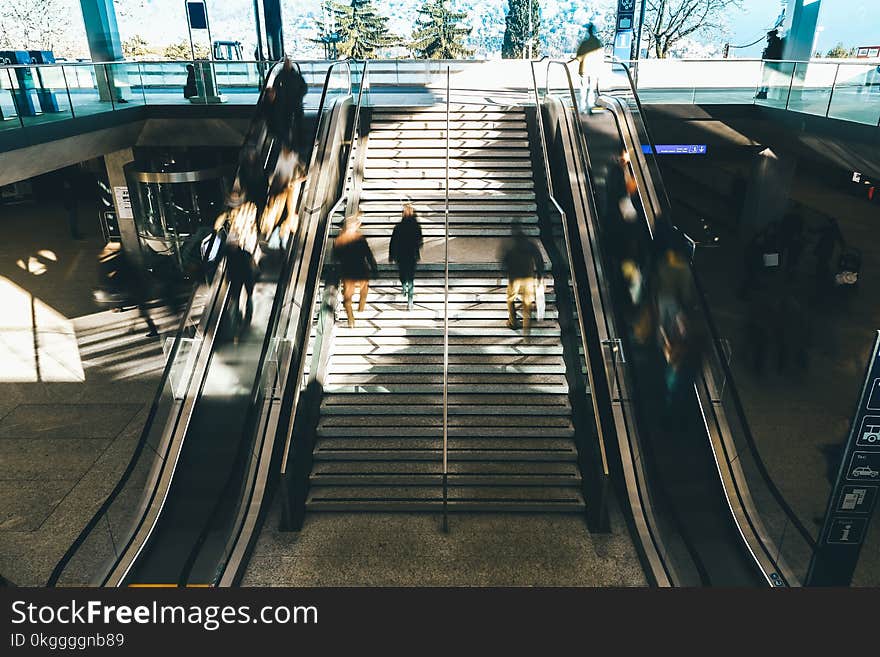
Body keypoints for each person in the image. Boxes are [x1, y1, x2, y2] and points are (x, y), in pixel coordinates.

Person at [222, 202, 260, 339]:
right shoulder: (244, 253)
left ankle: (239, 319)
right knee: (245, 297)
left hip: (237, 278)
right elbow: (252, 265)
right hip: (245, 277)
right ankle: (244, 319)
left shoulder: (228, 255)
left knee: (238, 298)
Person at [334, 213, 377, 328]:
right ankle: (361, 307)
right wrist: (374, 267)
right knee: (364, 287)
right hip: (361, 269)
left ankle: (350, 318)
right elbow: (368, 254)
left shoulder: (339, 240)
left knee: (347, 296)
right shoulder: (359, 238)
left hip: (347, 270)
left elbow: (337, 257)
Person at [499, 226, 544, 336]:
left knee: (510, 298)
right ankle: (526, 327)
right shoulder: (530, 245)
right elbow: (539, 259)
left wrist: (506, 272)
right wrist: (540, 275)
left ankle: (513, 322)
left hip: (515, 278)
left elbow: (504, 261)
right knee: (527, 302)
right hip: (528, 277)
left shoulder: (511, 246)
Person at [389, 204, 423, 311]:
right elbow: (420, 240)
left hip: (401, 255)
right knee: (410, 277)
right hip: (411, 255)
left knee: (403, 275)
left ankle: (405, 291)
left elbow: (393, 242)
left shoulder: (398, 227)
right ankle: (410, 299)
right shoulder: (416, 226)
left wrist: (391, 255)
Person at [573, 23, 603, 110]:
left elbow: (579, 57)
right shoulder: (597, 42)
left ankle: (582, 106)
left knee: (583, 88)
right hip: (594, 69)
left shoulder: (584, 43)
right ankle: (590, 105)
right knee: (591, 88)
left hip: (584, 69)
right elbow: (600, 55)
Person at [756, 29, 785, 100]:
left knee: (765, 79)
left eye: (768, 36)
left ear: (770, 36)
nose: (767, 38)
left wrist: (765, 51)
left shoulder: (772, 43)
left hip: (770, 63)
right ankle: (763, 92)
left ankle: (763, 93)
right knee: (767, 79)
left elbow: (770, 54)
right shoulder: (778, 42)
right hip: (775, 63)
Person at [61, 170, 82, 240]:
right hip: (70, 207)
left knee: (74, 221)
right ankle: (74, 235)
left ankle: (75, 234)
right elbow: (66, 200)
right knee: (72, 221)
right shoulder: (66, 192)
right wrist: (67, 207)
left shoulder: (69, 191)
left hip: (72, 206)